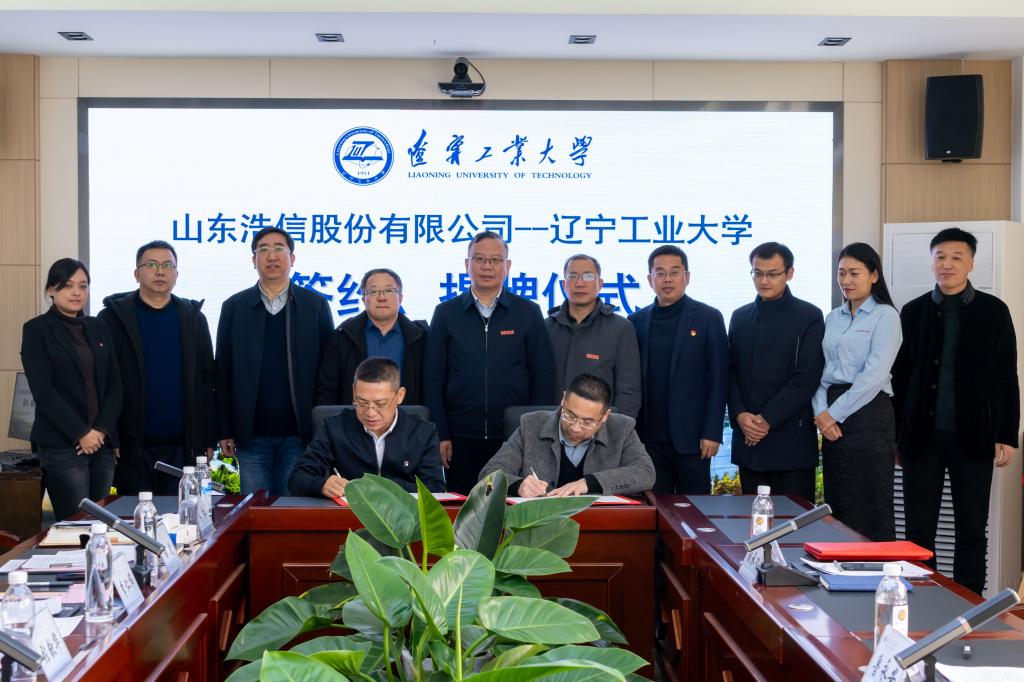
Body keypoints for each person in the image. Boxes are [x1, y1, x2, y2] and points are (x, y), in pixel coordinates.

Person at [892, 227, 1019, 595]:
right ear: (932, 262)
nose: (947, 264)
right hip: (921, 437)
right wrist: (898, 436)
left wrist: (1006, 434)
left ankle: (969, 604)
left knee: (971, 529)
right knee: (918, 530)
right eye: (940, 257)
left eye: (956, 257)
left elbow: (1006, 375)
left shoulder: (994, 311)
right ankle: (922, 600)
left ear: (971, 263)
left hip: (974, 436)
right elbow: (900, 379)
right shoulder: (913, 311)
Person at [424, 231, 556, 494]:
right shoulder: (446, 313)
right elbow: (433, 379)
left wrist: (537, 435)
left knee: (512, 505)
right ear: (467, 264)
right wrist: (441, 434)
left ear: (507, 266)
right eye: (479, 259)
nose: (487, 266)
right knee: (463, 507)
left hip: (515, 436)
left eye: (495, 260)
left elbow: (543, 376)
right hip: (460, 437)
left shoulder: (527, 312)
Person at [216, 227, 334, 496]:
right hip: (251, 434)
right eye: (264, 250)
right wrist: (225, 429)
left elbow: (328, 371)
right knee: (256, 508)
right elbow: (223, 372)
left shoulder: (314, 305)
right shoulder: (234, 307)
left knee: (294, 507)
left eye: (279, 248)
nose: (272, 256)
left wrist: (322, 428)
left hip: (301, 434)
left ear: (292, 259)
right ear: (253, 259)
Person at [98, 240, 216, 495]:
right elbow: (103, 381)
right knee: (136, 514)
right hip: (132, 445)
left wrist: (207, 438)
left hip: (183, 446)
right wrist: (110, 434)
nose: (160, 271)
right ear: (136, 273)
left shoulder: (193, 318)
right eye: (151, 265)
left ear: (176, 274)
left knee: (182, 515)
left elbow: (207, 381)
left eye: (167, 265)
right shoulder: (113, 318)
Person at [21, 259, 123, 521]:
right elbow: (44, 392)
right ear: (51, 290)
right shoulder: (36, 330)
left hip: (101, 442)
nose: (77, 292)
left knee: (101, 524)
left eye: (83, 286)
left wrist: (101, 430)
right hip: (62, 445)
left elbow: (115, 384)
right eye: (67, 286)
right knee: (75, 524)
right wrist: (81, 433)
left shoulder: (99, 327)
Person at [812, 243, 901, 541]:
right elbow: (821, 372)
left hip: (869, 415)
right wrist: (821, 414)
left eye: (854, 273)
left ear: (874, 275)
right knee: (838, 501)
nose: (846, 280)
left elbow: (873, 377)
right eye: (841, 273)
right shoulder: (832, 318)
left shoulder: (886, 316)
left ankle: (877, 568)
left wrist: (832, 415)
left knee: (872, 501)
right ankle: (839, 564)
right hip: (832, 414)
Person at [728, 242, 825, 502]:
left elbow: (806, 378)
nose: (764, 280)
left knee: (795, 520)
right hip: (749, 440)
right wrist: (740, 415)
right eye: (758, 273)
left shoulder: (809, 316)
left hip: (791, 440)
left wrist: (765, 420)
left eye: (772, 274)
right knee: (753, 519)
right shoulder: (740, 317)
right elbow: (731, 373)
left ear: (789, 273)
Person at [629, 245, 728, 494]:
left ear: (687, 277)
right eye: (660, 273)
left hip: (693, 439)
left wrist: (712, 432)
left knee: (694, 510)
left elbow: (719, 379)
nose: (667, 279)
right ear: (650, 279)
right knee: (654, 509)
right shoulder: (636, 321)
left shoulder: (708, 318)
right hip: (648, 439)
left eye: (674, 272)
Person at [290, 357, 444, 497]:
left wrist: (379, 487)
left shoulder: (423, 432)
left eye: (380, 404)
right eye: (362, 402)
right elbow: (297, 478)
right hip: (348, 514)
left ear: (400, 396)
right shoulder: (334, 427)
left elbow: (436, 489)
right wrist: (322, 485)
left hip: (405, 517)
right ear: (353, 392)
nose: (370, 413)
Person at [480, 374, 654, 497]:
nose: (576, 428)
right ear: (563, 399)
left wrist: (588, 483)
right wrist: (518, 486)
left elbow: (646, 473)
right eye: (570, 415)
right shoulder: (531, 425)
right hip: (540, 526)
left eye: (587, 422)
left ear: (605, 416)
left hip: (598, 524)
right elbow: (488, 475)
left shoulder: (622, 429)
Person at [545, 254, 642, 419]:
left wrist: (617, 430)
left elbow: (629, 391)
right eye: (572, 276)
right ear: (563, 284)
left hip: (601, 427)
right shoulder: (547, 327)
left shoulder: (621, 328)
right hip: (553, 426)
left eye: (588, 276)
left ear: (600, 284)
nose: (580, 283)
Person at [315, 268, 428, 406]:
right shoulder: (343, 337)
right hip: (355, 417)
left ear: (400, 298)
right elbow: (327, 390)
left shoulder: (421, 337)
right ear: (363, 299)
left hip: (408, 418)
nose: (382, 298)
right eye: (373, 291)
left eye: (389, 290)